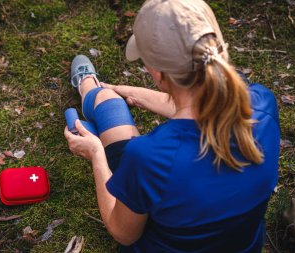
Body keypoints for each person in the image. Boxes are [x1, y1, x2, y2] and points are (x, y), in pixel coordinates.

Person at [64, 0, 280, 252]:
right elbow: (200, 107)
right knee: (111, 99)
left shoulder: (150, 157)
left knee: (109, 105)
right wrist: (130, 91)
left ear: (157, 73)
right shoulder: (262, 103)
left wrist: (96, 154)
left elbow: (123, 233)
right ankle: (97, 92)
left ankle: (90, 89)